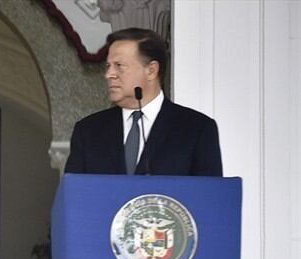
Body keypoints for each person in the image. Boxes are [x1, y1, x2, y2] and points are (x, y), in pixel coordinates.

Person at [64, 28, 222, 176]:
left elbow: (208, 193)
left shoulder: (197, 129)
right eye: (108, 66)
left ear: (151, 70)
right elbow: (73, 193)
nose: (109, 74)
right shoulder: (88, 131)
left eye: (119, 66)